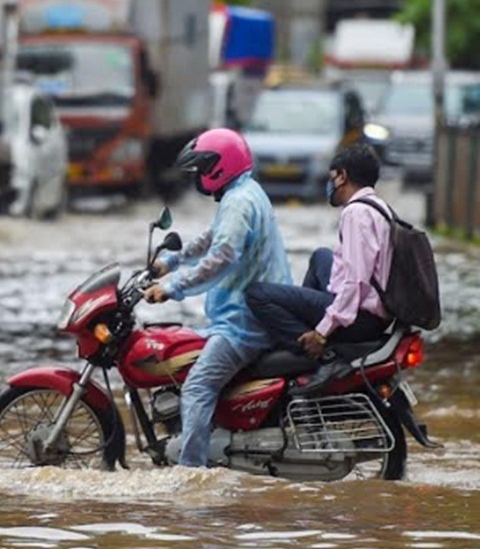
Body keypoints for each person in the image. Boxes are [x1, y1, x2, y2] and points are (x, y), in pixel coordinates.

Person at [144, 128, 292, 468]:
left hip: (244, 324)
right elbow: (210, 239)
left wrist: (172, 287)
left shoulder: (239, 202)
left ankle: (191, 471)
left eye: (200, 168)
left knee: (197, 388)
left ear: (218, 167)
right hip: (243, 315)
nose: (197, 176)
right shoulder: (243, 194)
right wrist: (169, 262)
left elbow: (222, 256)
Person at [245, 144, 392, 389]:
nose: (330, 184)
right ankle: (307, 330)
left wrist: (323, 331)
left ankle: (314, 350)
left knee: (257, 294)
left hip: (360, 319)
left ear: (342, 176)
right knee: (321, 256)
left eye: (331, 177)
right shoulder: (379, 207)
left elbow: (356, 281)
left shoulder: (355, 213)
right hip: (371, 312)